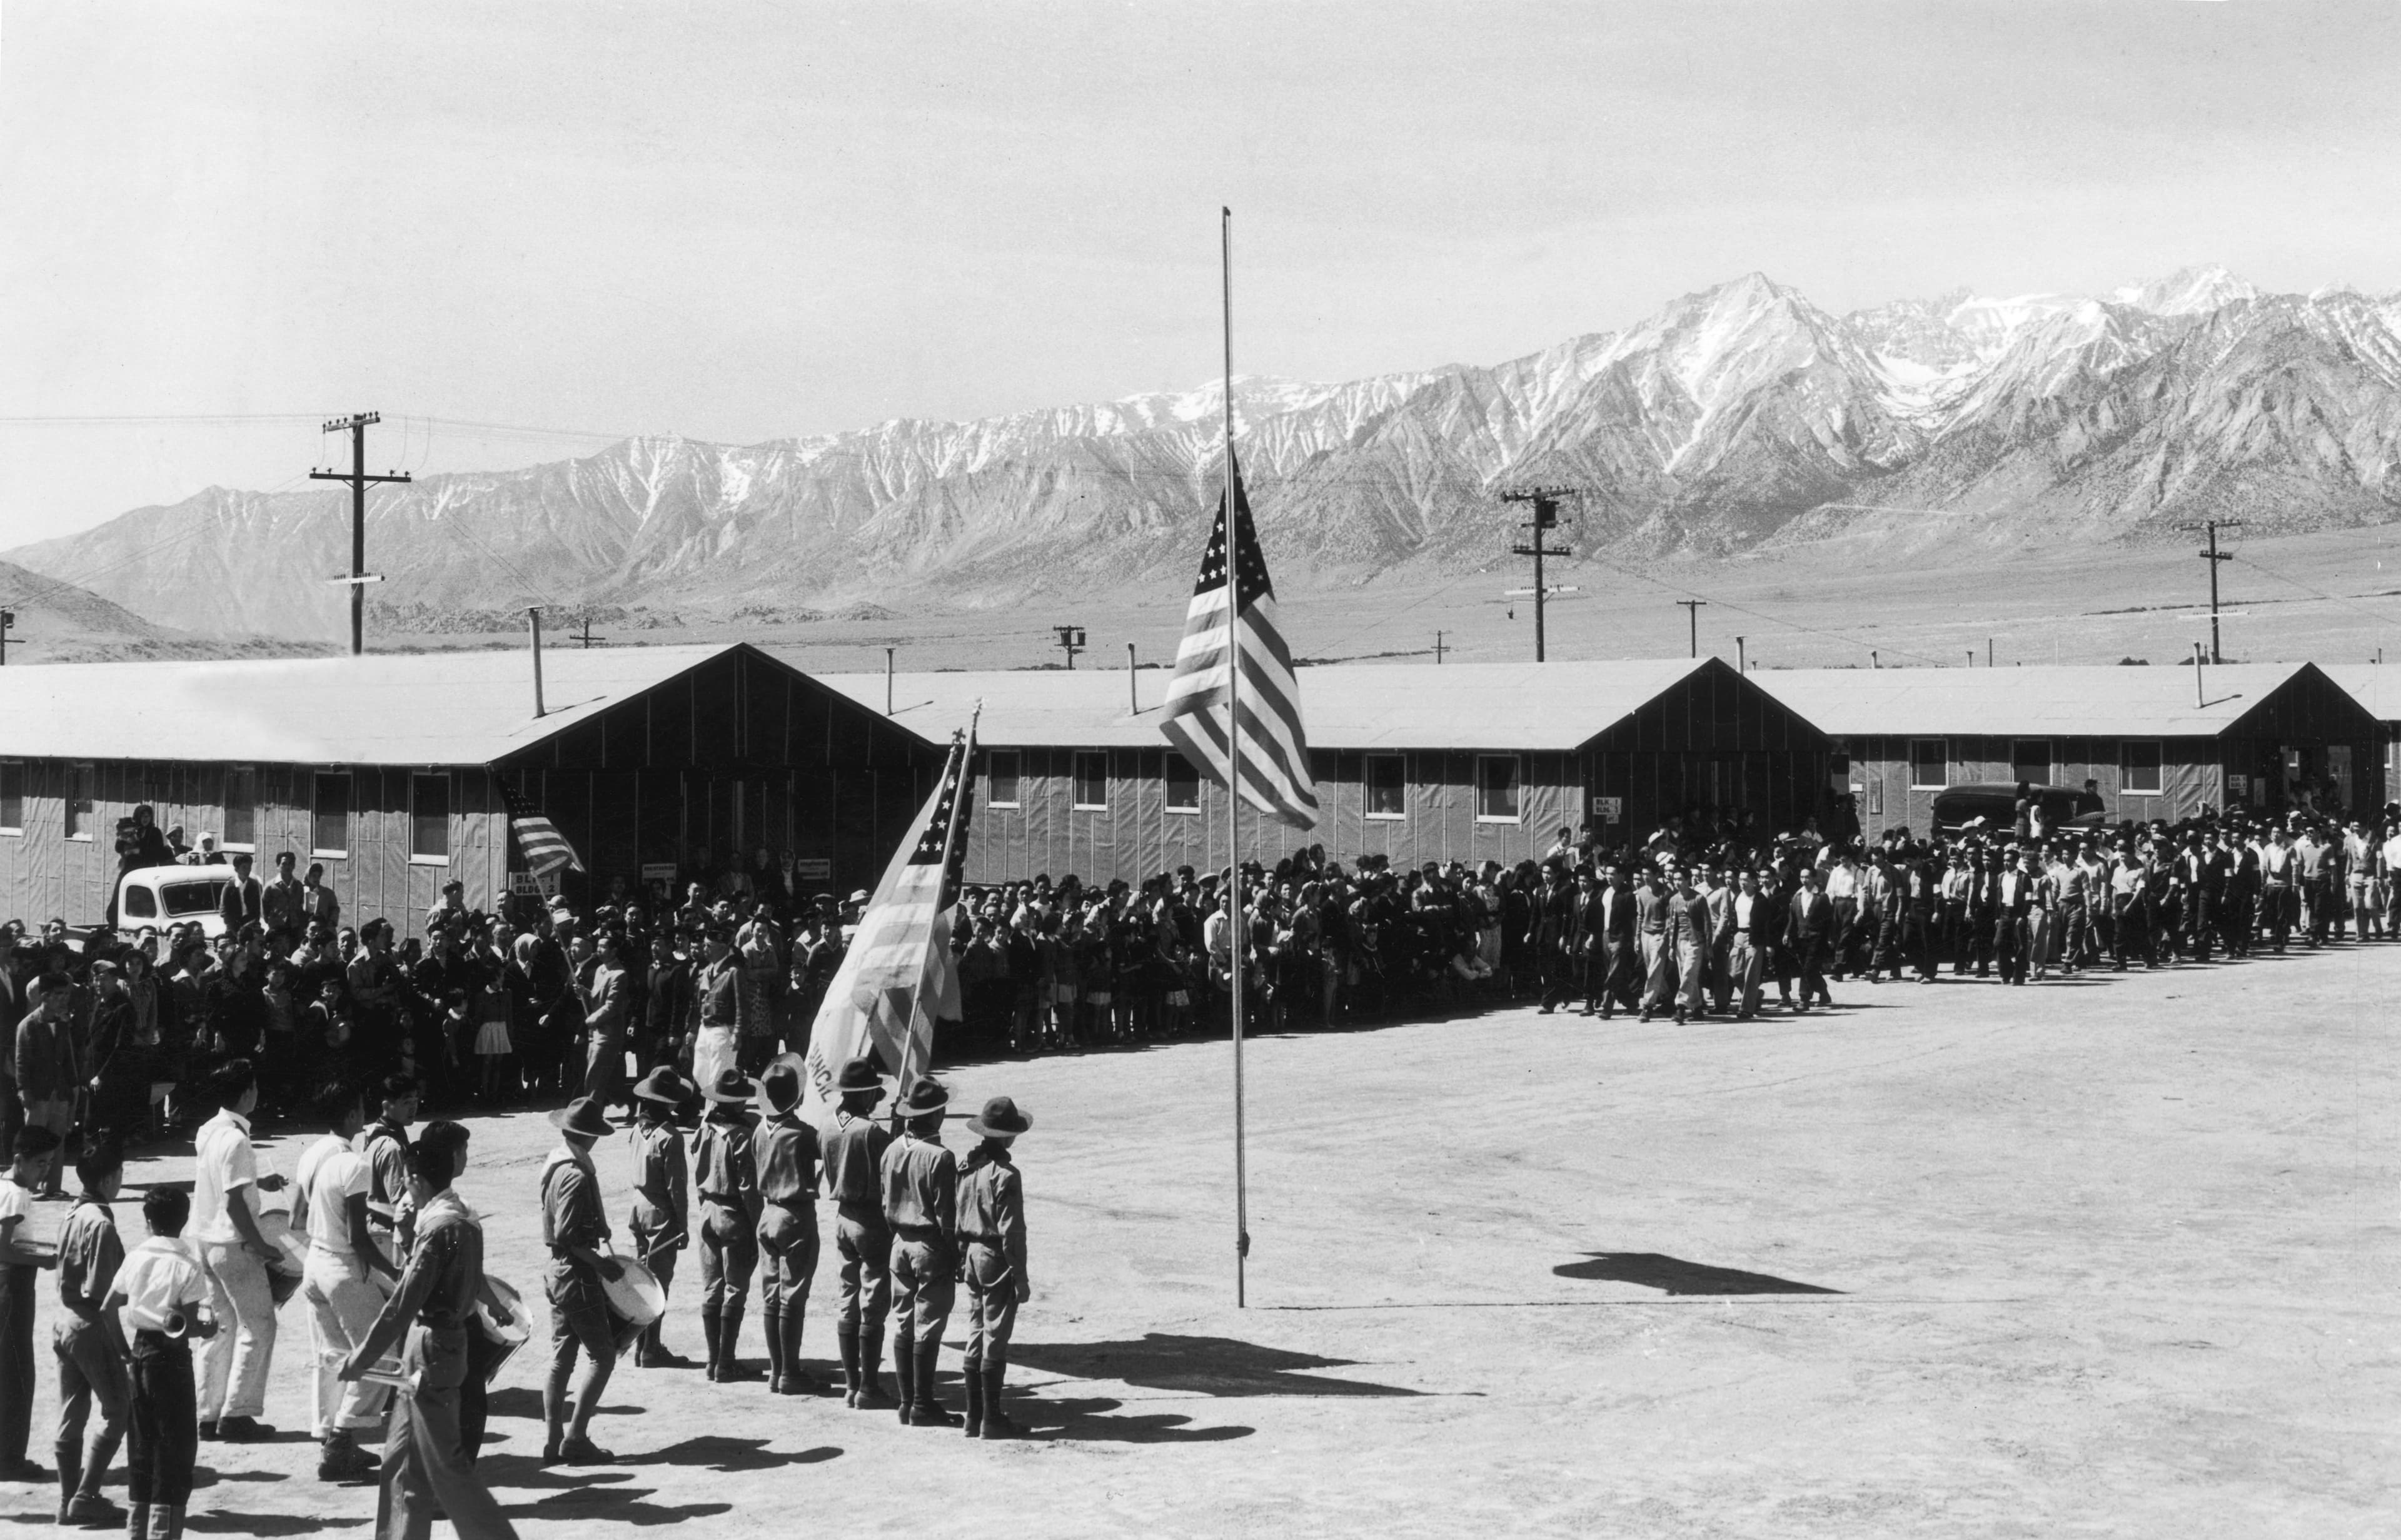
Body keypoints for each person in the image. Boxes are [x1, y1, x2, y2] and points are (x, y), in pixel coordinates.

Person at [339, 1120, 520, 1540]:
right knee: (401, 1458)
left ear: (418, 1179)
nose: (404, 1188)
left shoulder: (438, 1229)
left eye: (406, 1181)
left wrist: (362, 1358)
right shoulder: (462, 1215)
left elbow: (404, 1301)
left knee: (447, 1467)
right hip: (436, 1346)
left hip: (432, 1349)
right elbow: (470, 1278)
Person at [293, 1082, 397, 1483]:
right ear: (352, 1116)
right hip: (341, 1268)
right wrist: (395, 1273)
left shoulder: (314, 1155)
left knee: (335, 1356)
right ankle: (341, 1439)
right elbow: (358, 1237)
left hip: (314, 1264)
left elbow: (295, 1220)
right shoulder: (353, 1163)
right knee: (380, 1353)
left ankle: (336, 1444)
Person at [105, 1187, 215, 1540]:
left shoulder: (136, 1257)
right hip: (172, 1360)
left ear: (147, 1220)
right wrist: (207, 1329)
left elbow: (108, 1309)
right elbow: (189, 1324)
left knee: (142, 1446)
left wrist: (125, 1352)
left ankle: (137, 1533)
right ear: (185, 1221)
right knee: (176, 1449)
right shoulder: (188, 1265)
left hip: (140, 1352)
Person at [190, 1060, 285, 1442]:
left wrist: (257, 1181)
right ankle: (238, 1413)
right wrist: (261, 1245)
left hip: (205, 1241)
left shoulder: (209, 1131)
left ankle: (208, 1414)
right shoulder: (236, 1139)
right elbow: (234, 1203)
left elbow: (223, 1182)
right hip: (234, 1245)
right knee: (259, 1325)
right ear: (247, 1093)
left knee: (220, 1328)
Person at [540, 1095, 623, 1466]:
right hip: (577, 1274)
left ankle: (554, 1439)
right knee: (603, 1356)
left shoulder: (558, 1163)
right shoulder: (575, 1173)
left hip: (558, 1273)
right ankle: (575, 1438)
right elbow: (568, 1235)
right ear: (589, 1136)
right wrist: (601, 1265)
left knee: (562, 1360)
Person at [51, 1140, 130, 1525]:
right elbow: (102, 1295)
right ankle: (85, 1495)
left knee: (73, 1414)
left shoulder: (73, 1212)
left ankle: (67, 1501)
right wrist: (122, 1347)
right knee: (119, 1409)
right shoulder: (101, 1221)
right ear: (109, 1178)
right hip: (88, 1325)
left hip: (63, 1321)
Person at [880, 1075, 960, 1427]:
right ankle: (923, 1405)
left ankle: (907, 1401)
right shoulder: (940, 1157)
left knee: (905, 1322)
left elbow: (884, 1202)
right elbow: (947, 1216)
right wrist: (955, 1254)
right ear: (937, 1113)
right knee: (928, 1326)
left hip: (899, 1243)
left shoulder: (892, 1149)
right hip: (930, 1245)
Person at [956, 1095, 1032, 1441]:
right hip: (996, 1257)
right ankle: (991, 1418)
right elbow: (1012, 1231)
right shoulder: (1006, 1175)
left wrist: (961, 1256)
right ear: (1006, 1137)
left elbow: (956, 1219)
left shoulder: (967, 1167)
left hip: (971, 1254)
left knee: (974, 1331)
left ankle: (973, 1415)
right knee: (995, 1336)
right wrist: (1020, 1276)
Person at [820, 1056, 893, 1409]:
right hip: (870, 1218)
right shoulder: (872, 1131)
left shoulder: (827, 1126)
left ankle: (852, 1385)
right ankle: (869, 1386)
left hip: (842, 1217)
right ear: (866, 1095)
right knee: (873, 1302)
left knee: (848, 1299)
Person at [753, 1054, 823, 1396]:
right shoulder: (802, 1133)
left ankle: (777, 1369)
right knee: (793, 1295)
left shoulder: (759, 1130)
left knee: (771, 1294)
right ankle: (790, 1372)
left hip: (768, 1213)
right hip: (795, 1214)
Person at [0, 1126, 62, 1481]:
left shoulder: (10, 1187)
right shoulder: (16, 1196)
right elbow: (5, 1248)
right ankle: (10, 1459)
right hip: (13, 1286)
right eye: (40, 1164)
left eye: (50, 1164)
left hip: (12, 1282)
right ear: (19, 1159)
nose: (45, 1172)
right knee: (17, 1372)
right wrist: (45, 1260)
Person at [692, 1068, 760, 1382]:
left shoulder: (704, 1129)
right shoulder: (743, 1136)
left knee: (712, 1286)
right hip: (734, 1213)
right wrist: (757, 1224)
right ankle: (726, 1360)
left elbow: (696, 1171)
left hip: (707, 1209)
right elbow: (748, 1187)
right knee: (734, 1288)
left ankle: (712, 1359)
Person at [625, 1067, 690, 1367]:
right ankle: (651, 1348)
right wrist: (683, 1226)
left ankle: (642, 1346)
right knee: (659, 1283)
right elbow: (677, 1188)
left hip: (637, 1206)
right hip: (661, 1212)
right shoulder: (670, 1136)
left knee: (641, 1279)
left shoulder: (638, 1129)